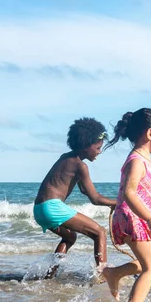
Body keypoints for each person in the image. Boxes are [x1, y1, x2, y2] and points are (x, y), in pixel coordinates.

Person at [101, 108, 151, 302]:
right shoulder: (136, 161)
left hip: (137, 216)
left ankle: (114, 273)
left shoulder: (146, 159)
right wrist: (150, 218)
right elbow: (130, 193)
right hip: (131, 217)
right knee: (150, 267)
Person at [33, 118, 116, 278]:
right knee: (100, 232)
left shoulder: (65, 158)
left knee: (70, 236)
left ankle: (49, 275)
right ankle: (102, 277)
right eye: (98, 148)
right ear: (86, 146)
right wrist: (119, 203)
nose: (99, 151)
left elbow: (85, 191)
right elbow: (95, 198)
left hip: (39, 209)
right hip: (52, 207)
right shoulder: (81, 166)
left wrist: (113, 203)